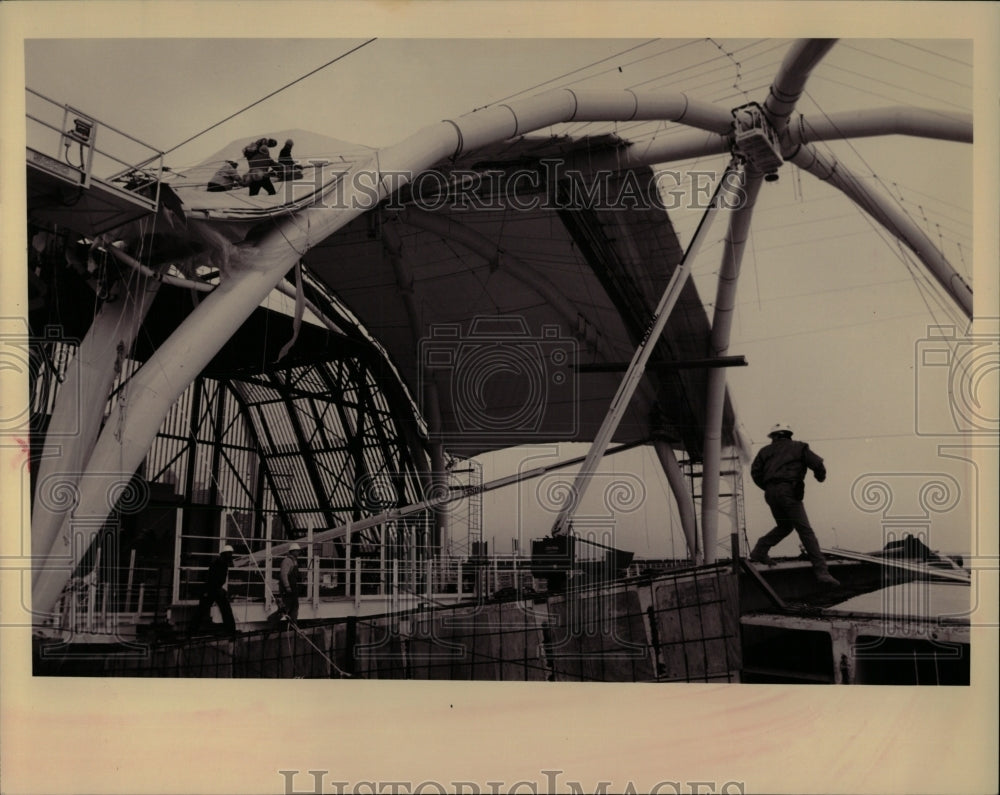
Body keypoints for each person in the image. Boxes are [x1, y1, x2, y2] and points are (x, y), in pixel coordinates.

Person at [749, 423, 840, 587]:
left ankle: (760, 550)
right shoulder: (799, 447)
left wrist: (770, 486)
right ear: (788, 434)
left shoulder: (764, 452)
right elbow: (818, 465)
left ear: (774, 436)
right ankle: (822, 572)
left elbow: (755, 473)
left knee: (784, 526)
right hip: (788, 491)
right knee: (805, 531)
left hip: (770, 493)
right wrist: (820, 477)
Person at [189, 544, 237, 635]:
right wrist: (218, 589)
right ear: (225, 554)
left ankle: (192, 631)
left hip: (213, 590)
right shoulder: (220, 564)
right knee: (224, 610)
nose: (231, 556)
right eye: (230, 554)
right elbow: (212, 579)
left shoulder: (220, 563)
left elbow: (215, 579)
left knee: (203, 611)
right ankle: (231, 631)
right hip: (212, 590)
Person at [278, 542, 303, 623]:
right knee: (287, 607)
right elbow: (283, 575)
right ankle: (275, 621)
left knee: (294, 606)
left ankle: (293, 623)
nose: (298, 553)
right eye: (297, 551)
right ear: (292, 551)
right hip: (288, 588)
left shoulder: (294, 561)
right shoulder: (287, 561)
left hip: (293, 587)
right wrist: (287, 586)